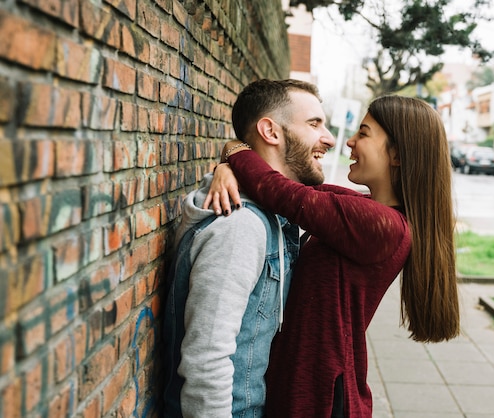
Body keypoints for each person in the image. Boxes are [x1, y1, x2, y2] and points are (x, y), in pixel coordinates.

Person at [206, 95, 459, 417]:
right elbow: (283, 187)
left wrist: (234, 150)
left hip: (319, 397)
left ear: (396, 153)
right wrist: (231, 168)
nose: (350, 141)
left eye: (364, 134)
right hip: (313, 386)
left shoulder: (379, 226)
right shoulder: (367, 210)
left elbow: (277, 190)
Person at [161, 78, 335, 417]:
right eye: (314, 124)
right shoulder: (241, 226)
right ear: (271, 132)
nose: (328, 138)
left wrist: (229, 157)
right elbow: (206, 360)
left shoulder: (270, 217)